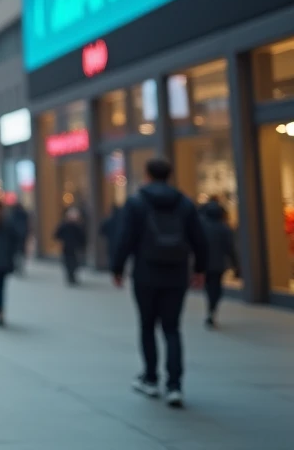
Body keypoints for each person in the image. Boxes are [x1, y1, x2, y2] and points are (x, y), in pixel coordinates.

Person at [112, 158, 208, 408]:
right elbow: (199, 238)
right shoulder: (184, 203)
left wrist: (117, 268)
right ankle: (175, 385)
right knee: (172, 328)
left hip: (146, 273)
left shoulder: (136, 203)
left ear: (146, 175)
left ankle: (151, 379)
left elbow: (125, 238)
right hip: (176, 274)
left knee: (147, 326)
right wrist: (199, 268)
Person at [200, 198, 239, 328]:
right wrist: (235, 263)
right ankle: (212, 309)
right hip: (218, 264)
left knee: (209, 287)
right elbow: (230, 248)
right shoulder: (224, 228)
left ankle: (211, 309)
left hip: (205, 263)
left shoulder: (203, 228)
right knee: (216, 288)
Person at [54, 208, 87, 285]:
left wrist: (82, 245)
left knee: (75, 263)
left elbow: (82, 237)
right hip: (67, 247)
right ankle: (70, 276)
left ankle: (72, 276)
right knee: (68, 262)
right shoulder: (64, 225)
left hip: (75, 248)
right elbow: (57, 234)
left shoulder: (78, 226)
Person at [7, 201, 30, 273]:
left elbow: (10, 225)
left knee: (15, 252)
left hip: (15, 236)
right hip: (23, 235)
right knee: (21, 251)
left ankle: (17, 266)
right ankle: (21, 266)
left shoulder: (12, 215)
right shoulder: (24, 214)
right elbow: (27, 224)